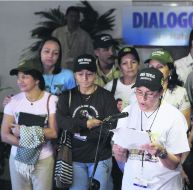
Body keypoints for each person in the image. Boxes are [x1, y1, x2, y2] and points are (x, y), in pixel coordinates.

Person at [112, 67, 190, 190]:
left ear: (160, 92)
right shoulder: (127, 113)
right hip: (132, 185)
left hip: (164, 185)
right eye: (138, 92)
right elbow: (123, 161)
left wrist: (161, 152)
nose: (142, 98)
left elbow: (175, 163)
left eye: (149, 93)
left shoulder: (174, 117)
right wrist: (118, 154)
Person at [56, 54, 118, 190]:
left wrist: (75, 127)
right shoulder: (67, 96)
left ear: (95, 75)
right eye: (80, 74)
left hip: (100, 156)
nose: (84, 78)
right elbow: (61, 121)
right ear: (74, 75)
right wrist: (86, 124)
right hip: (74, 157)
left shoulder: (106, 97)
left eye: (89, 74)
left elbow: (110, 127)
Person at [1, 60, 58, 190]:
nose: (19, 81)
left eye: (25, 77)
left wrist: (23, 132)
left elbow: (53, 132)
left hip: (43, 158)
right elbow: (4, 135)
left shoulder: (51, 100)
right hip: (17, 159)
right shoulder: (13, 101)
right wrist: (29, 143)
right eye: (18, 77)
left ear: (37, 79)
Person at [145, 49, 191, 127]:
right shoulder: (140, 91)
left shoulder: (180, 93)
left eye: (160, 67)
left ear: (170, 71)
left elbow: (185, 125)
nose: (155, 71)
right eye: (151, 67)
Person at [105, 46, 140, 111]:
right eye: (124, 63)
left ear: (138, 65)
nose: (129, 66)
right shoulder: (111, 86)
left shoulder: (145, 86)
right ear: (119, 67)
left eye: (133, 62)